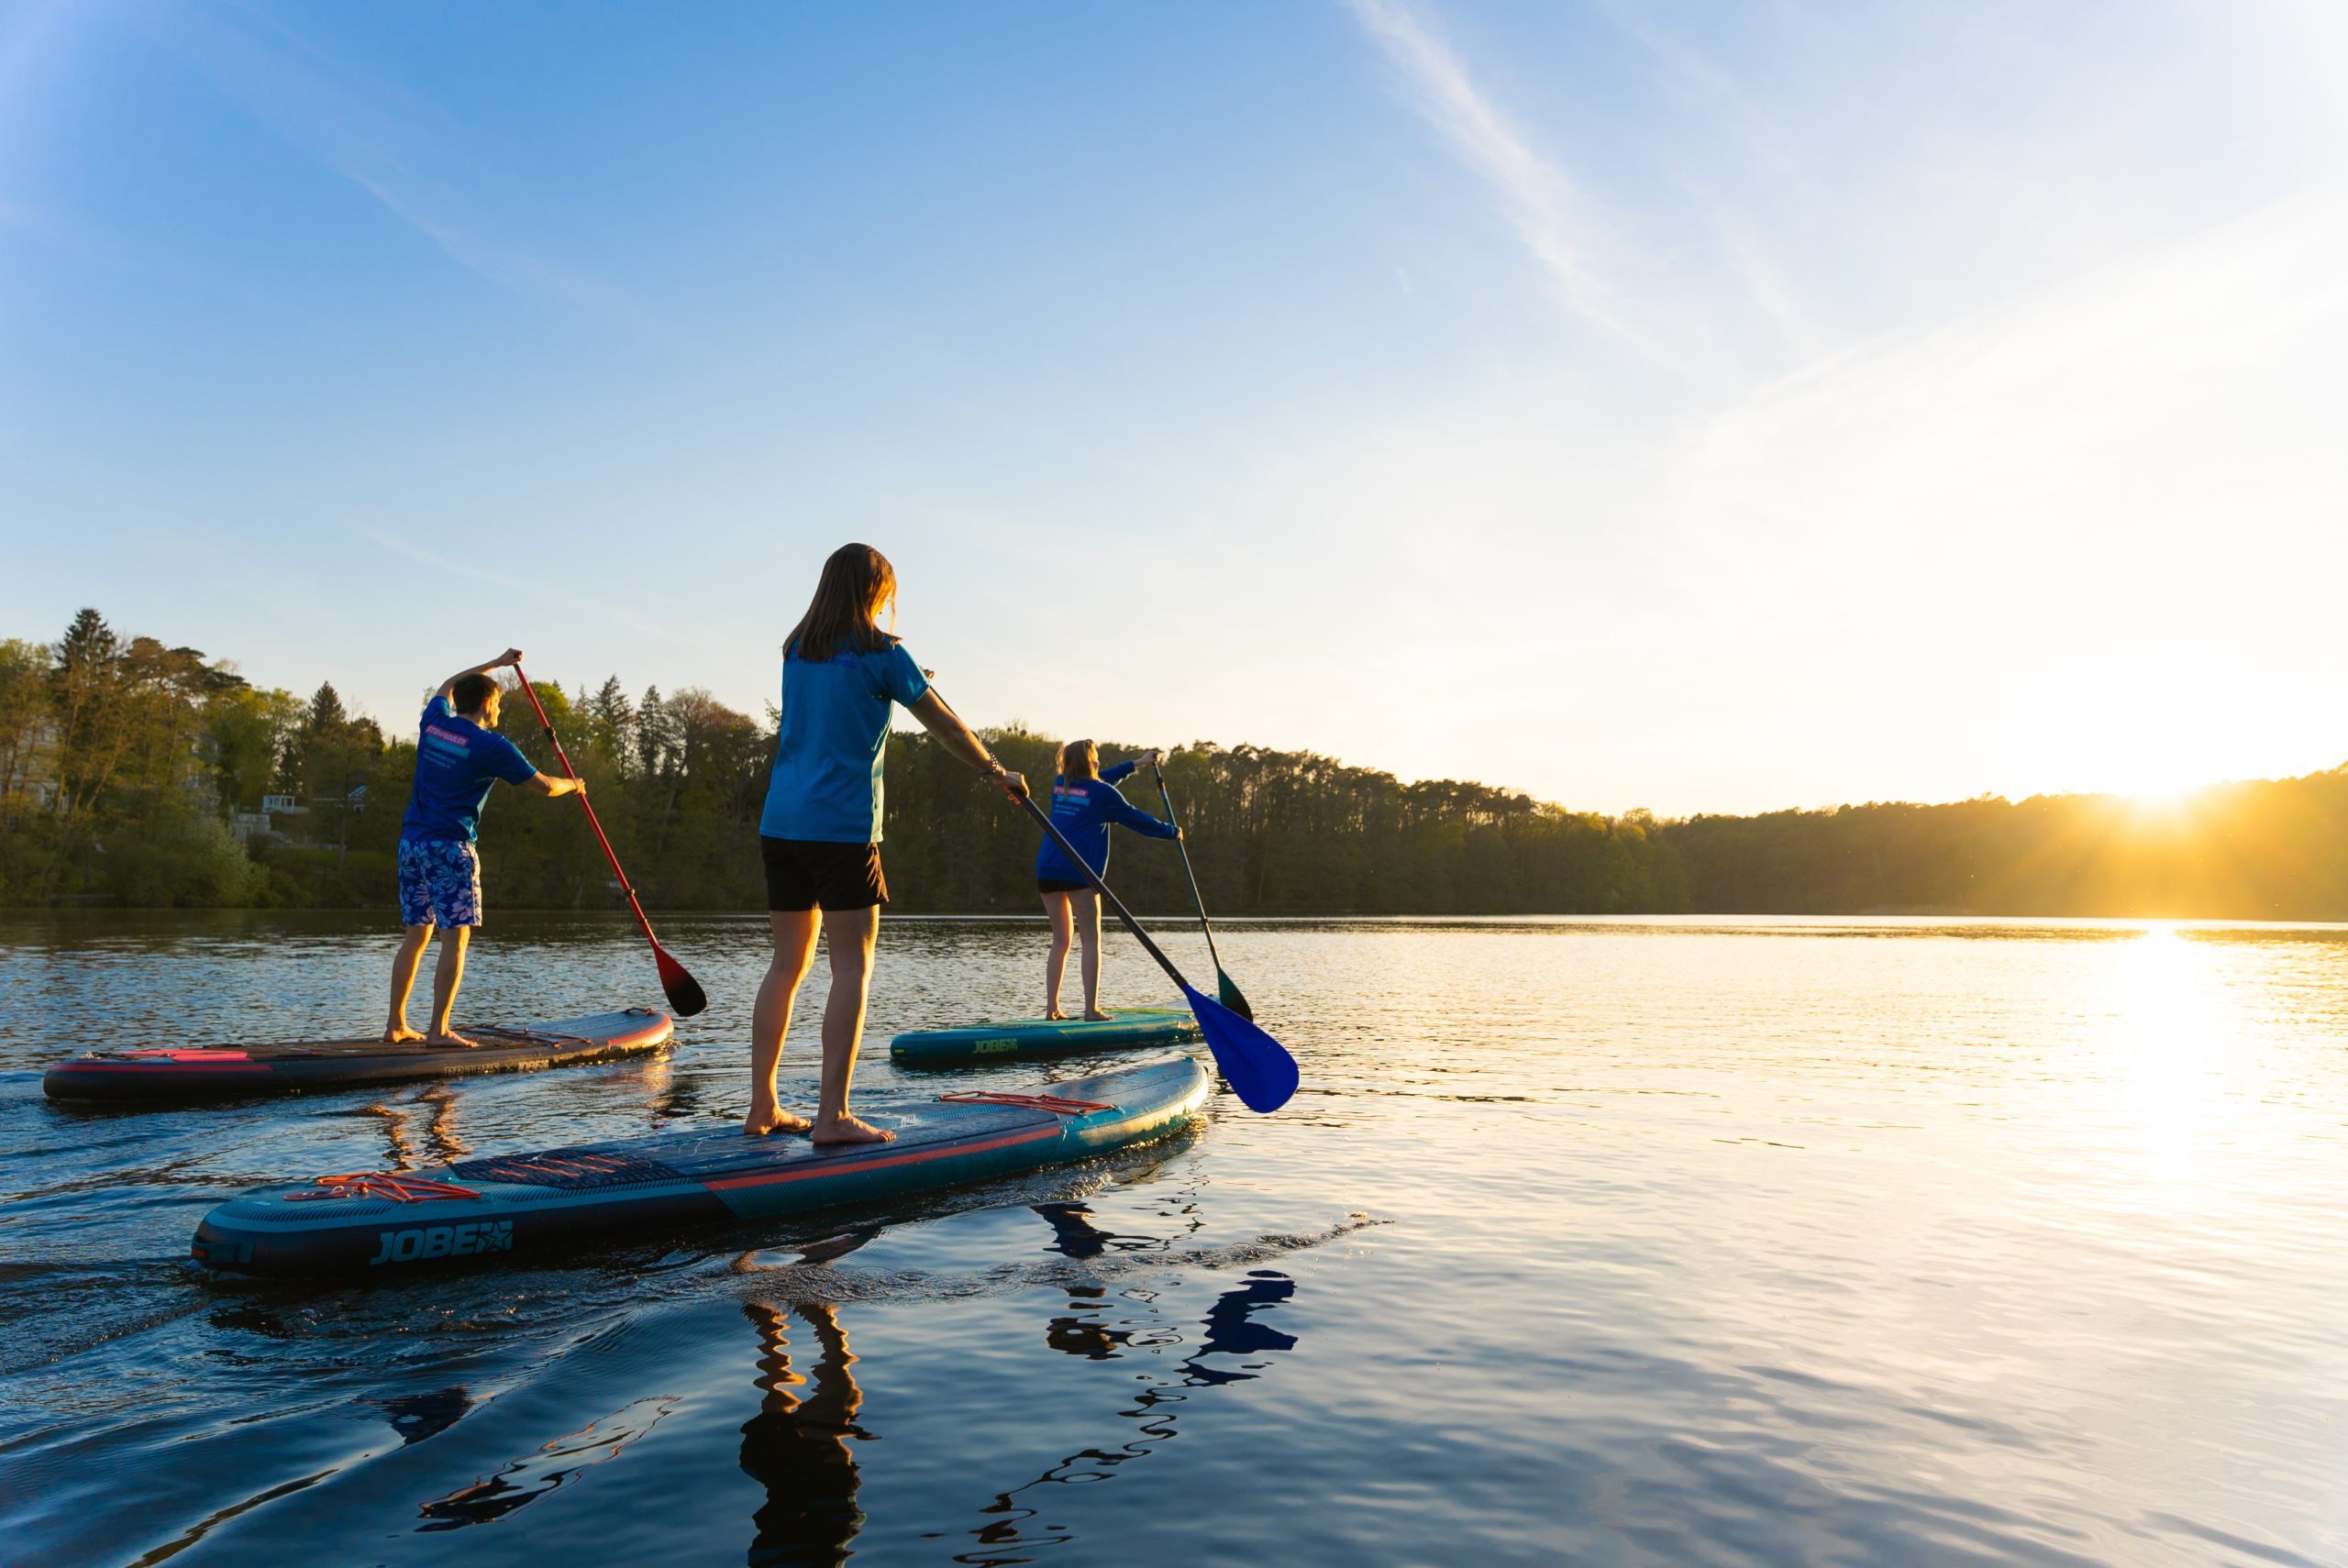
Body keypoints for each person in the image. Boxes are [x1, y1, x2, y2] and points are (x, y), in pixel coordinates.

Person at [750, 543, 1025, 1144]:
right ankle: (832, 1117)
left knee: (786, 965)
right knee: (852, 966)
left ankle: (762, 1106)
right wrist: (994, 770)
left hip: (781, 823)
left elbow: (839, 700)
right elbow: (947, 726)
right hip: (842, 829)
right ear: (874, 592)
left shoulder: (797, 649)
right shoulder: (884, 653)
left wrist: (904, 683)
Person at [384, 648, 586, 1048]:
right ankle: (439, 1031)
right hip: (449, 848)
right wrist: (574, 785)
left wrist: (496, 662)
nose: (500, 710)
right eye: (498, 702)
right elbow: (546, 786)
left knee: (415, 937)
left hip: (411, 844)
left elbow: (449, 683)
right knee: (454, 941)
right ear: (487, 704)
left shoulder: (434, 723)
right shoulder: (491, 746)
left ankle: (395, 1025)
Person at [1034, 739, 1180, 1021]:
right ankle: (1091, 1010)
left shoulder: (1061, 785)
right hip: (1079, 870)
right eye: (1095, 756)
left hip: (1047, 868)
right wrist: (1171, 832)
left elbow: (1099, 781)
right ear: (1091, 762)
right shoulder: (1102, 794)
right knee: (1090, 939)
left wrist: (1137, 763)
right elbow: (1136, 819)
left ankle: (1052, 1009)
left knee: (1061, 941)